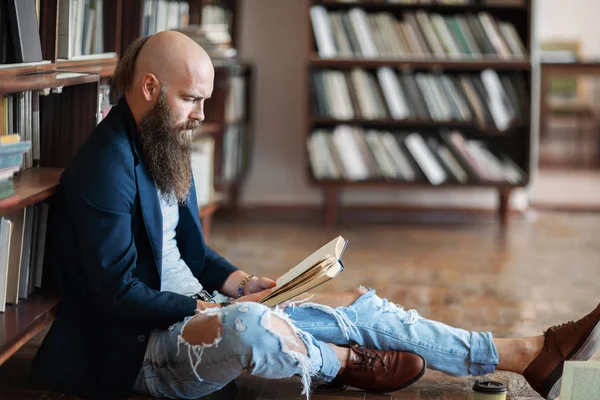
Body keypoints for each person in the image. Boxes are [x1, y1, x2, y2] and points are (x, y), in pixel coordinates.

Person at [32, 31, 600, 400]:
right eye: (191, 99)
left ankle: (522, 353)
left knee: (350, 304)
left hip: (207, 310)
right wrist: (222, 305)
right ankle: (341, 362)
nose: (202, 114)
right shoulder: (103, 170)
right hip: (148, 348)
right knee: (254, 325)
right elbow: (117, 294)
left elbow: (195, 255)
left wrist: (244, 283)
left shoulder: (161, 140)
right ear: (150, 87)